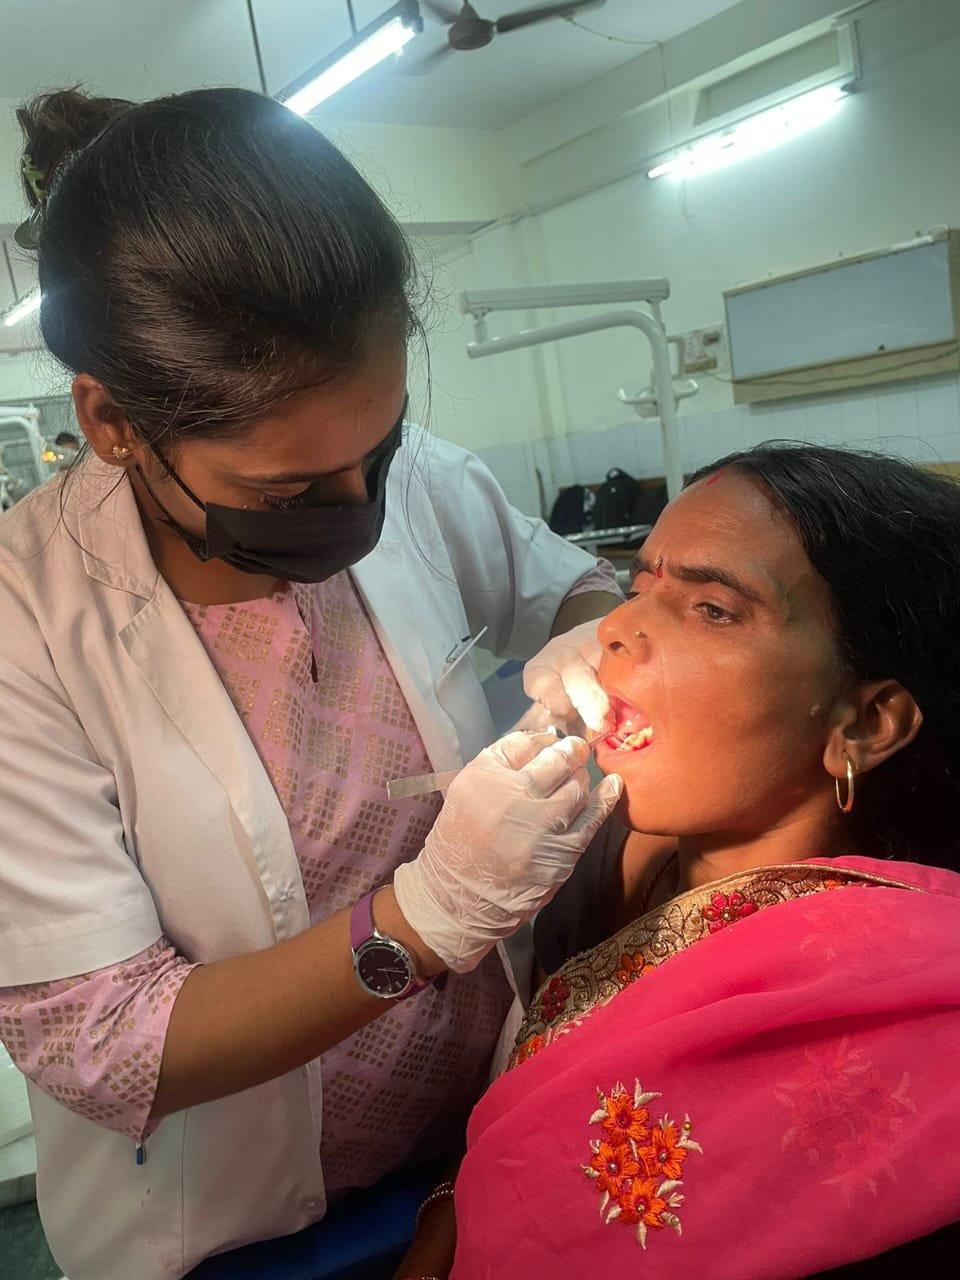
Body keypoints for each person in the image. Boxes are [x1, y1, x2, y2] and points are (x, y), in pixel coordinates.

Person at [0, 87, 625, 1280]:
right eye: (289, 493)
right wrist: (427, 918)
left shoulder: (414, 477)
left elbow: (569, 589)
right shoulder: (23, 627)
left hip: (473, 1143)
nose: (360, 512)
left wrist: (597, 632)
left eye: (378, 450)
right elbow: (110, 1039)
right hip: (219, 1227)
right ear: (114, 422)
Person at [448, 445, 960, 1279]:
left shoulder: (898, 1023)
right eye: (642, 585)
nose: (613, 630)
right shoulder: (608, 858)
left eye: (714, 609)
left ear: (863, 725)